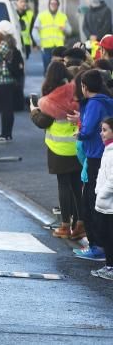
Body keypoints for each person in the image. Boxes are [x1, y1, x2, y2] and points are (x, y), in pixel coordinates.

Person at [31, 61, 85, 241]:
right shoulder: (76, 92)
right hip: (77, 146)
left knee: (64, 185)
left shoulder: (50, 99)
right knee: (78, 185)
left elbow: (42, 122)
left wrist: (33, 111)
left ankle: (65, 226)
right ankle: (80, 224)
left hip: (58, 148)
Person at [73, 69, 113, 261]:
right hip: (105, 153)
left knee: (90, 201)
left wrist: (79, 130)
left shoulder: (93, 104)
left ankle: (96, 246)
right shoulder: (107, 101)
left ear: (84, 87)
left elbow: (88, 130)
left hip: (95, 155)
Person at [92, 118, 113, 280]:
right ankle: (108, 265)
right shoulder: (107, 150)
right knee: (105, 235)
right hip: (104, 202)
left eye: (105, 130)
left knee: (109, 236)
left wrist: (102, 193)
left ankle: (111, 267)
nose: (101, 133)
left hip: (109, 203)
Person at [0, 21, 21, 143]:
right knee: (8, 108)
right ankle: (7, 133)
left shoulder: (2, 44)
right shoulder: (11, 43)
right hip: (11, 80)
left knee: (5, 109)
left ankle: (4, 134)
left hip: (3, 79)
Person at [33, 0, 72, 71]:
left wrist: (64, 29)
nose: (53, 5)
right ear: (49, 5)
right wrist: (39, 42)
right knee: (47, 68)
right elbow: (34, 31)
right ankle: (48, 81)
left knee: (59, 68)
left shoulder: (62, 16)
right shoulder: (41, 15)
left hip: (59, 47)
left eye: (55, 4)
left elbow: (69, 31)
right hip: (46, 46)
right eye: (52, 3)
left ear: (58, 5)